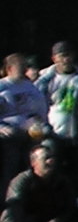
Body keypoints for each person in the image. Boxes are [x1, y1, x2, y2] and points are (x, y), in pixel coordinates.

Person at [2, 142, 78, 222]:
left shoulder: (63, 182)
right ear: (34, 162)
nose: (50, 161)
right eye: (46, 158)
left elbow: (71, 208)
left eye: (52, 158)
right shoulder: (22, 181)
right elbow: (15, 207)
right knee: (8, 217)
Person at [37, 41, 78, 177]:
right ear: (54, 59)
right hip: (51, 134)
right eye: (63, 56)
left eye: (69, 55)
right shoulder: (43, 82)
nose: (66, 59)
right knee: (53, 171)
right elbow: (36, 109)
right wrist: (44, 128)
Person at [1, 53, 51, 191]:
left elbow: (41, 109)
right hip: (9, 131)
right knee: (12, 157)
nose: (25, 69)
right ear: (10, 69)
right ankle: (8, 192)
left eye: (25, 66)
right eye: (21, 66)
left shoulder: (31, 87)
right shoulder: (2, 87)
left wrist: (40, 123)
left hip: (31, 131)